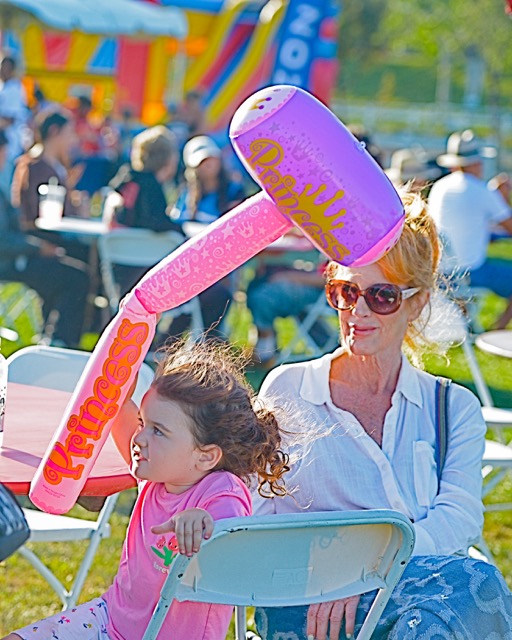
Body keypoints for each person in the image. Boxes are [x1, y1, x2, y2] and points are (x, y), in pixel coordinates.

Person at [250, 189, 512, 640]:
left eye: (382, 296)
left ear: (417, 302)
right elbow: (258, 513)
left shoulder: (452, 408)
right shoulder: (288, 389)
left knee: (447, 609)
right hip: (308, 603)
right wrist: (333, 572)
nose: (358, 311)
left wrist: (368, 570)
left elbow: (460, 516)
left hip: (417, 596)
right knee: (478, 587)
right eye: (346, 292)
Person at [2, 339, 290, 640]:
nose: (139, 438)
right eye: (142, 423)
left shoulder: (222, 491)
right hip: (109, 619)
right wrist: (117, 369)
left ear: (205, 455)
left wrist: (202, 522)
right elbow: (117, 408)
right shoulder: (157, 470)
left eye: (158, 431)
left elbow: (231, 543)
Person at [106, 126, 231, 338]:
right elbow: (159, 225)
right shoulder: (152, 190)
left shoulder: (123, 183)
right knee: (217, 294)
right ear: (169, 159)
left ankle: (163, 342)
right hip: (151, 286)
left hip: (120, 279)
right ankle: (194, 347)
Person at [0, 129, 88, 348]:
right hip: (11, 261)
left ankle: (54, 338)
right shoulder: (36, 166)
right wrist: (37, 247)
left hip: (18, 255)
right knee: (76, 278)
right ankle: (60, 341)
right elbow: (3, 242)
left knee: (71, 266)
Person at [428, 129, 512, 329]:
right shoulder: (481, 190)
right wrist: (502, 197)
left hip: (440, 270)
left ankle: (472, 329)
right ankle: (496, 331)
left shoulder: (439, 187)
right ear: (476, 162)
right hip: (469, 272)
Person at [171, 134, 246, 224]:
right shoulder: (185, 196)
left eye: (210, 158)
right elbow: (179, 222)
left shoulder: (234, 191)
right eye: (202, 161)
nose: (208, 164)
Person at [0, 54, 28, 194]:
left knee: (3, 187)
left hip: (9, 148)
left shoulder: (14, 89)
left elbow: (9, 119)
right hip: (5, 146)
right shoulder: (5, 88)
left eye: (5, 67)